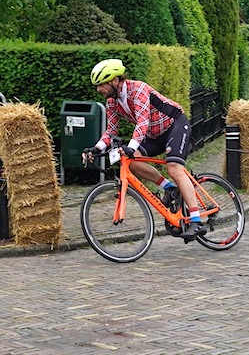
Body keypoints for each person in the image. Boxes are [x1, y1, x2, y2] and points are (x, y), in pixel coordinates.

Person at [82, 58, 206, 239]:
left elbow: (142, 121)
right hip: (154, 135)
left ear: (114, 81)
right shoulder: (112, 102)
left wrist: (131, 146)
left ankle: (196, 220)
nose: (98, 89)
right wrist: (96, 148)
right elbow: (111, 130)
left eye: (101, 85)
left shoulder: (138, 89)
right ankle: (170, 188)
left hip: (175, 125)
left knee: (174, 167)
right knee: (131, 162)